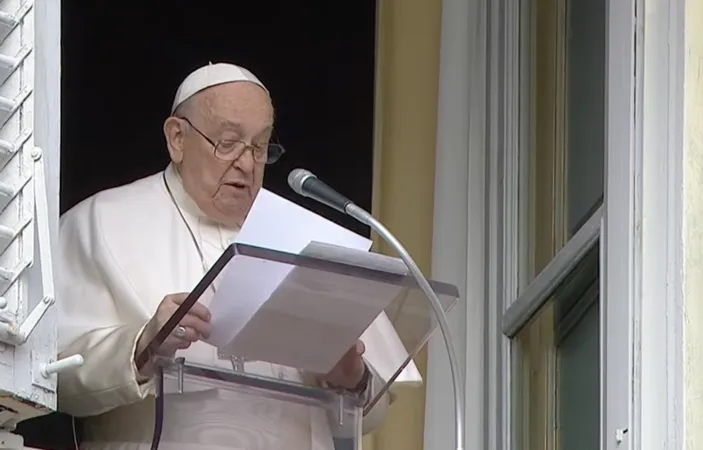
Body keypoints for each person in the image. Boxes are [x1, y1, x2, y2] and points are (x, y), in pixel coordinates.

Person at [56, 62, 392, 450]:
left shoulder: (309, 241)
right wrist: (143, 346)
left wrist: (351, 377)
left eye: (260, 146)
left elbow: (377, 410)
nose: (247, 163)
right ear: (177, 138)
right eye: (228, 142)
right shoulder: (101, 222)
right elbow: (53, 379)